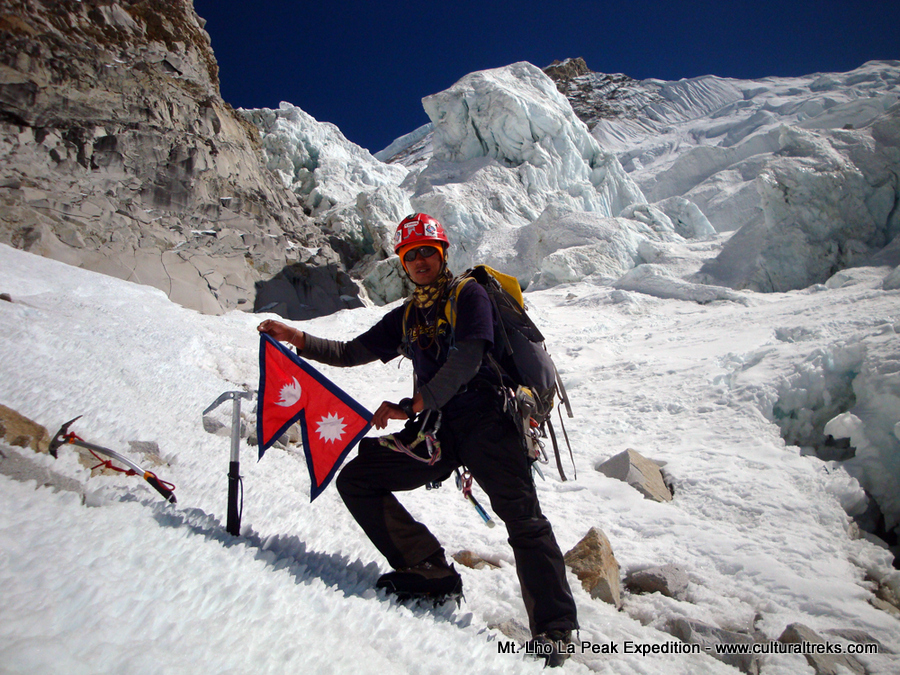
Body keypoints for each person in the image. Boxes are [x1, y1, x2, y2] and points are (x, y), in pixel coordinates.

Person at [258, 213, 578, 664]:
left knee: (524, 521)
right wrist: (296, 337)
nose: (421, 260)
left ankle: (555, 628)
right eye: (411, 255)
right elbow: (351, 352)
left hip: (489, 424)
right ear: (403, 264)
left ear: (443, 253)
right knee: (358, 479)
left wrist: (413, 404)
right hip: (437, 430)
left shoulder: (469, 295)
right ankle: (429, 570)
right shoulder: (408, 316)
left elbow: (469, 357)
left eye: (428, 251)